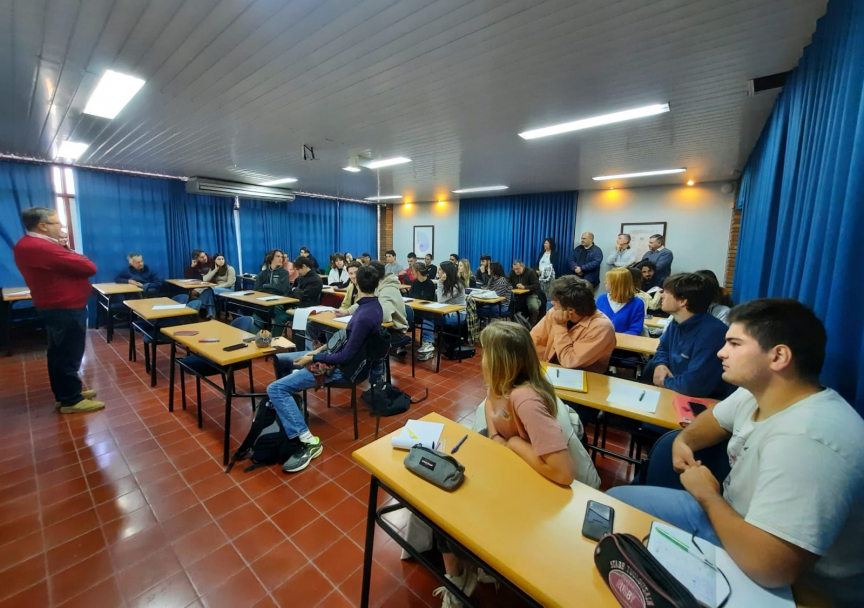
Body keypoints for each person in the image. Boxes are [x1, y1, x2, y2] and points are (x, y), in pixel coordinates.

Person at [608, 299, 864, 604]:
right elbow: (713, 420)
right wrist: (683, 441)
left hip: (792, 583)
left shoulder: (809, 440)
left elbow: (771, 568)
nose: (721, 352)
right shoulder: (756, 393)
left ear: (778, 356)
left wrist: (707, 495)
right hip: (730, 519)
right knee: (613, 508)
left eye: (734, 343)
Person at [433, 321, 578, 605]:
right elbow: (492, 423)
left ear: (501, 360)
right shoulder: (498, 387)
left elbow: (563, 472)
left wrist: (512, 444)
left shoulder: (525, 398)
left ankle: (472, 569)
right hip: (512, 471)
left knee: (450, 512)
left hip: (540, 490)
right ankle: (462, 574)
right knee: (441, 497)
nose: (481, 357)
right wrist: (501, 441)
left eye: (486, 351)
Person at [266, 266, 385, 473]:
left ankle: (308, 441)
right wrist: (315, 352)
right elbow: (342, 342)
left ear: (356, 283)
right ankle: (291, 409)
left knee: (275, 389)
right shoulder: (371, 306)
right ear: (377, 284)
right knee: (281, 359)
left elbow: (344, 357)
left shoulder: (365, 315)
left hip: (340, 368)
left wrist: (313, 357)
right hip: (336, 357)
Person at [13, 207, 103, 413]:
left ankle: (67, 393)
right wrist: (73, 253)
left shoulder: (31, 245)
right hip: (64, 308)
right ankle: (71, 400)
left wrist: (67, 250)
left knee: (60, 353)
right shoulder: (41, 247)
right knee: (68, 354)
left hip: (58, 307)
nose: (62, 227)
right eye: (57, 223)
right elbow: (89, 268)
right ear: (42, 226)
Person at [641, 274, 734, 399]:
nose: (661, 295)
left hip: (704, 402)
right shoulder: (677, 322)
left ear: (683, 301)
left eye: (666, 292)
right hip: (676, 391)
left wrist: (663, 380)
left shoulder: (711, 334)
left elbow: (694, 386)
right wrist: (660, 364)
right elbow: (663, 348)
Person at [530, 276, 616, 373]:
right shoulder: (554, 312)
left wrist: (559, 326)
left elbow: (569, 361)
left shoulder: (602, 328)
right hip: (551, 370)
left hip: (585, 379)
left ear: (570, 310)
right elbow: (533, 340)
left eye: (555, 301)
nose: (552, 302)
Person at [417, 261, 466, 362]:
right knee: (426, 315)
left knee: (428, 316)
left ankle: (428, 344)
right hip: (445, 312)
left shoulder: (458, 285)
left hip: (457, 314)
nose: (438, 271)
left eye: (440, 270)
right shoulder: (447, 283)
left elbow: (440, 300)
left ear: (446, 272)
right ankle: (428, 345)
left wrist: (440, 282)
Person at [341, 260, 407, 331]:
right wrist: (347, 311)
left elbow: (385, 316)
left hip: (394, 330)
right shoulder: (376, 284)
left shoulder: (388, 288)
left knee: (357, 334)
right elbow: (366, 302)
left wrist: (364, 315)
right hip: (380, 327)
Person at [596, 267, 645, 335]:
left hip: (624, 343)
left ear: (617, 284)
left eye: (608, 280)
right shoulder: (601, 299)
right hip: (600, 340)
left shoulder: (637, 303)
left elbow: (635, 330)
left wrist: (613, 339)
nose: (605, 282)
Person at [253, 250, 291, 335]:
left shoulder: (284, 273)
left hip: (279, 302)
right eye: (278, 256)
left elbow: (281, 289)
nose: (281, 258)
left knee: (266, 310)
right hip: (265, 300)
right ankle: (256, 336)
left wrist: (266, 285)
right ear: (271, 258)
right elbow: (256, 288)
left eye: (282, 257)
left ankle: (270, 336)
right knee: (256, 310)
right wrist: (271, 288)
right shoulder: (264, 273)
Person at [199, 253, 236, 319]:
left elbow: (230, 283)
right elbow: (205, 279)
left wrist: (216, 287)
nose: (221, 261)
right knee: (210, 294)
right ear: (215, 261)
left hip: (229, 289)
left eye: (222, 259)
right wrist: (215, 270)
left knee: (210, 290)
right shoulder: (213, 268)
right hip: (216, 290)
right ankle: (211, 316)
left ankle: (200, 306)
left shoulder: (230, 268)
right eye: (219, 259)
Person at [508, 259, 541, 325]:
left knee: (534, 307)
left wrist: (525, 287)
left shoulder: (530, 272)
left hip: (529, 294)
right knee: (509, 307)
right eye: (514, 269)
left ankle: (531, 325)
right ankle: (515, 324)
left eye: (517, 269)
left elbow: (537, 286)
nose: (516, 271)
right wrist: (511, 286)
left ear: (523, 266)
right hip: (516, 295)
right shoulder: (512, 272)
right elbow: (508, 282)